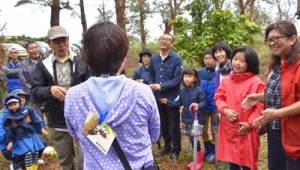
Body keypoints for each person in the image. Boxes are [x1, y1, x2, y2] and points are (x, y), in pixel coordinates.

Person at [64, 21, 160, 169]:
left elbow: (75, 134)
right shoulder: (142, 92)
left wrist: (101, 130)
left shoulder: (74, 97)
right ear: (123, 58)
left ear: (87, 58)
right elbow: (154, 135)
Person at [242, 21, 300, 170]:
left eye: (276, 38)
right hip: (275, 129)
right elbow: (281, 94)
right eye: (269, 40)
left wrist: (277, 113)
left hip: (295, 133)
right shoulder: (276, 64)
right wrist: (260, 97)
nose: (272, 43)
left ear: (292, 39)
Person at [31, 26, 89, 170]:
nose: (62, 45)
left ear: (68, 40)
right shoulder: (43, 65)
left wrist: (77, 91)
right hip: (57, 119)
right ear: (49, 43)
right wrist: (50, 89)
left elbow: (93, 85)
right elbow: (35, 91)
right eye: (57, 41)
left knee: (85, 158)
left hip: (85, 117)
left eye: (64, 40)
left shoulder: (82, 60)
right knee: (65, 160)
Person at [214, 46, 265, 170]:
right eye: (235, 59)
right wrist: (224, 110)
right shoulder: (226, 81)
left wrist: (250, 124)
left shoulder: (256, 83)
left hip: (247, 129)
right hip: (230, 128)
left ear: (250, 64)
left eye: (242, 61)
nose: (237, 63)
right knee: (233, 161)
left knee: (247, 161)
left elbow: (260, 107)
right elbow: (218, 97)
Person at [160, 67, 206, 168]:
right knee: (190, 138)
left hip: (196, 119)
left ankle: (198, 158)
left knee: (193, 138)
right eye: (185, 76)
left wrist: (198, 105)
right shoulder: (182, 91)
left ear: (195, 78)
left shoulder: (199, 90)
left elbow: (204, 102)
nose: (187, 78)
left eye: (190, 76)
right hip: (186, 118)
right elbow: (178, 103)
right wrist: (168, 102)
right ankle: (199, 154)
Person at [148, 33, 183, 161]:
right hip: (157, 97)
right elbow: (150, 74)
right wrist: (152, 84)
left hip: (172, 97)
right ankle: (167, 147)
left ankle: (176, 150)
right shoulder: (154, 59)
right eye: (162, 38)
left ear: (171, 44)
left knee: (174, 126)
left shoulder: (177, 59)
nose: (163, 41)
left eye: (167, 39)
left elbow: (178, 79)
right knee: (163, 124)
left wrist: (161, 86)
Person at [2, 93, 48, 170]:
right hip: (21, 137)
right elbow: (8, 130)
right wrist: (10, 141)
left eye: (15, 104)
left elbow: (36, 119)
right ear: (7, 106)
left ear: (19, 102)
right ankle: (25, 167)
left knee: (36, 152)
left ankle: (35, 167)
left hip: (31, 135)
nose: (13, 107)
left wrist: (41, 128)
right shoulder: (7, 116)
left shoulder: (28, 109)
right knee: (28, 153)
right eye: (10, 105)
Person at [211, 41, 232, 163]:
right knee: (224, 132)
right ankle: (227, 158)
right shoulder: (218, 70)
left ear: (226, 51)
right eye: (216, 52)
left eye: (221, 51)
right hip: (222, 105)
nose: (218, 54)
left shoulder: (234, 67)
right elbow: (217, 88)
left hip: (234, 104)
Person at [198, 48, 218, 162]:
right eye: (205, 58)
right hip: (203, 107)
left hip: (215, 107)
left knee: (214, 129)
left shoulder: (219, 72)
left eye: (210, 58)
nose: (208, 61)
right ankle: (208, 148)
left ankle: (215, 151)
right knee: (204, 130)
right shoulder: (200, 72)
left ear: (214, 59)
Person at [18, 41, 45, 118]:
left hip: (48, 95)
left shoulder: (46, 62)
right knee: (37, 119)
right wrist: (36, 92)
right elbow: (24, 82)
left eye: (36, 47)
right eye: (32, 48)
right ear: (27, 51)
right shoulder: (24, 65)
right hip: (34, 97)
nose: (35, 50)